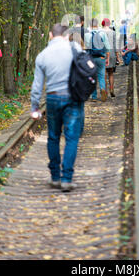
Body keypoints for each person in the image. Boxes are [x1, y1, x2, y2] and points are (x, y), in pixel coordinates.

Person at [30, 23, 83, 192]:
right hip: (73, 98)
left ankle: (55, 177)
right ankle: (66, 178)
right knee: (72, 138)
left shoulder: (42, 55)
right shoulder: (75, 49)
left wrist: (35, 107)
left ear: (50, 35)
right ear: (66, 35)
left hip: (52, 98)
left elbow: (37, 85)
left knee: (53, 137)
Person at [84, 18, 110, 102]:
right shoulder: (102, 33)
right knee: (101, 76)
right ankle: (102, 89)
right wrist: (107, 58)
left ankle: (94, 96)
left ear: (90, 25)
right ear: (97, 24)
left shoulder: (87, 34)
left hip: (91, 58)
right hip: (101, 58)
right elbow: (107, 47)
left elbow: (85, 47)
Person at [102, 18, 120, 97]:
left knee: (104, 74)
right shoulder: (113, 32)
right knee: (111, 73)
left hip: (103, 54)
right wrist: (117, 57)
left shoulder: (100, 32)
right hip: (112, 54)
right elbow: (115, 46)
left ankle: (105, 92)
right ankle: (112, 89)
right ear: (109, 24)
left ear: (102, 24)